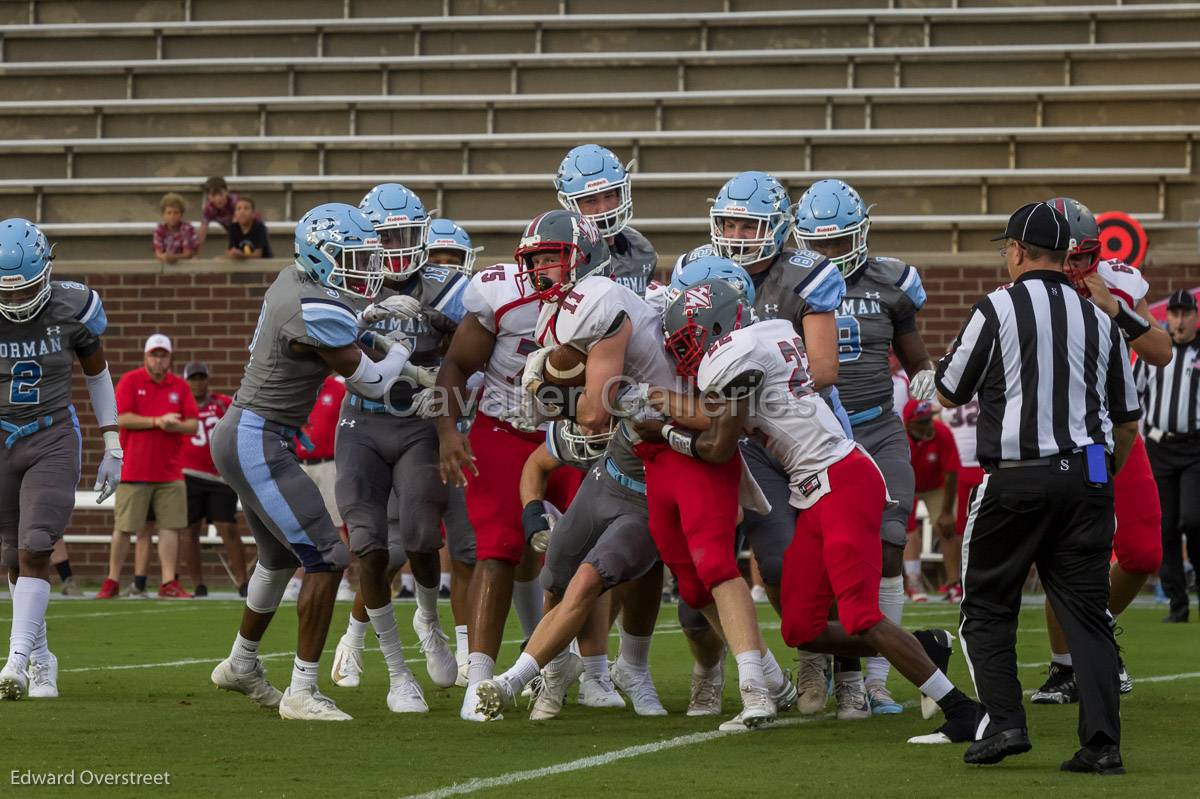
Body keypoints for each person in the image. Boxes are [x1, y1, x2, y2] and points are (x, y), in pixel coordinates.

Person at [650, 276, 981, 743]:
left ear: (715, 324)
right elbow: (735, 419)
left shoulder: (733, 356)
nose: (684, 352)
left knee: (861, 615)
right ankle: (926, 646)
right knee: (800, 627)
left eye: (687, 339)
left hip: (842, 481)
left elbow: (719, 448)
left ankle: (963, 710)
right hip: (812, 491)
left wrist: (665, 431)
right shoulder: (770, 333)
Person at [517, 216, 785, 732]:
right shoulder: (640, 320)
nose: (677, 323)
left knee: (718, 572)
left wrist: (648, 410)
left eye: (695, 310)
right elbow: (614, 408)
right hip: (653, 457)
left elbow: (712, 428)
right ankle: (768, 679)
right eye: (678, 304)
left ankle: (767, 684)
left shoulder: (731, 352)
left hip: (699, 454)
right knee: (689, 584)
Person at [935, 201, 1140, 773]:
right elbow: (1126, 421)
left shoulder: (998, 306)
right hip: (1091, 475)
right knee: (1088, 615)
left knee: (985, 605)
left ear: (1019, 252)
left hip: (1018, 477)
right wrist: (1096, 477)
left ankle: (1005, 724)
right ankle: (1102, 746)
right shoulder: (1099, 318)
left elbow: (950, 391)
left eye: (1007, 248)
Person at [207, 202, 413, 722]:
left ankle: (241, 663)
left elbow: (333, 325)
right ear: (320, 257)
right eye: (352, 258)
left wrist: (367, 322)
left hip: (245, 432)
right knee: (327, 557)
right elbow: (372, 380)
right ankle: (302, 690)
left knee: (279, 559)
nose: (363, 270)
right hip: (258, 437)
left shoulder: (291, 278)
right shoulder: (314, 308)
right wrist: (398, 352)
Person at [667, 173, 845, 719]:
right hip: (724, 434)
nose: (738, 233)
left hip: (786, 432)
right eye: (729, 223)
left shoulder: (804, 276)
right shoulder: (692, 269)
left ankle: (823, 659)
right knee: (718, 568)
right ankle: (712, 666)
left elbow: (822, 369)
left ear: (777, 227)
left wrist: (750, 392)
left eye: (749, 223)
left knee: (801, 558)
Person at [435, 212, 585, 722]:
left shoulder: (602, 300)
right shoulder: (499, 292)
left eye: (554, 257)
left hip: (571, 435)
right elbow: (455, 365)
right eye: (536, 257)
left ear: (579, 258)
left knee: (583, 552)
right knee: (497, 549)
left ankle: (578, 668)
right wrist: (448, 431)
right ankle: (477, 681)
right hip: (502, 430)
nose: (544, 267)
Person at [793, 178, 935, 719]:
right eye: (818, 244)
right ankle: (815, 663)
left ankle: (878, 679)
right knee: (818, 560)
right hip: (813, 435)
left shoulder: (892, 282)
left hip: (877, 428)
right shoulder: (790, 281)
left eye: (837, 242)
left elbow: (914, 352)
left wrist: (926, 375)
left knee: (889, 547)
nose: (828, 255)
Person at [327, 183, 468, 712]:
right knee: (366, 544)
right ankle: (395, 672)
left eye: (407, 234)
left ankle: (429, 620)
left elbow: (475, 343)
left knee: (419, 538)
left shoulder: (446, 283)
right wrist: (358, 322)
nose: (397, 246)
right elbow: (318, 343)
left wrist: (436, 321)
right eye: (386, 236)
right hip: (361, 422)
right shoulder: (346, 283)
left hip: (419, 423)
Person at [1031, 197, 1170, 702]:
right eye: (1063, 255)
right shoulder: (1022, 291)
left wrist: (1115, 308)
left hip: (1118, 432)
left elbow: (1160, 350)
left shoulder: (1119, 282)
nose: (1072, 266)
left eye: (1081, 255)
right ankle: (1067, 664)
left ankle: (1094, 628)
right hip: (1056, 437)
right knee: (1062, 554)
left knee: (1142, 551)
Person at [0, 218, 122, 700]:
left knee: (35, 546)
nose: (13, 301)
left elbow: (98, 373)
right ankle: (39, 656)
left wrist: (112, 443)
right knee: (11, 554)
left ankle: (12, 664)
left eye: (22, 289)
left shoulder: (74, 306)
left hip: (51, 433)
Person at [473, 419, 667, 721]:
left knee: (591, 576)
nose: (588, 422)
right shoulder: (597, 418)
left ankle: (513, 681)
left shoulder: (673, 407)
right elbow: (538, 461)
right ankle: (555, 671)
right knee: (554, 577)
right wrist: (533, 514)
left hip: (646, 502)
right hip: (604, 485)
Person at [97, 334, 198, 600]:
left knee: (170, 527)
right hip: (133, 469)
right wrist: (157, 421)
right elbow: (121, 417)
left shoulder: (181, 387)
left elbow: (193, 424)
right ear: (145, 357)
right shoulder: (131, 380)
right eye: (154, 354)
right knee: (124, 527)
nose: (158, 359)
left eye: (163, 355)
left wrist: (173, 425)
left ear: (170, 358)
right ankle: (112, 580)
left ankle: (168, 582)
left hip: (170, 471)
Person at [1136, 289, 1200, 623]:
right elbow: (1134, 393)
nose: (1178, 319)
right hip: (1160, 447)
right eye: (1173, 314)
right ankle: (1178, 603)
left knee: (1192, 519)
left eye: (1184, 313)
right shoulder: (1154, 350)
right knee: (1166, 529)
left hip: (1195, 448)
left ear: (1194, 316)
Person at [178, 361, 246, 598]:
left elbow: (241, 420)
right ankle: (198, 584)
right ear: (186, 381)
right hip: (189, 474)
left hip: (220, 476)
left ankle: (242, 582)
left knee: (227, 526)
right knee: (189, 530)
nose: (197, 383)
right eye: (193, 378)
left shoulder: (222, 403)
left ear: (207, 379)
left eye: (201, 378)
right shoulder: (180, 405)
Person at [554, 144, 657, 295]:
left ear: (620, 195)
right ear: (572, 205)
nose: (603, 209)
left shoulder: (641, 250)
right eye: (591, 201)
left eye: (609, 196)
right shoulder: (564, 258)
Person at [901, 399, 960, 603]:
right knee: (909, 532)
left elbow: (951, 474)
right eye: (923, 421)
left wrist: (946, 513)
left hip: (936, 486)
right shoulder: (899, 439)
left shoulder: (941, 433)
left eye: (929, 419)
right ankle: (914, 583)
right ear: (909, 423)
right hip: (908, 485)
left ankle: (955, 584)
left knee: (946, 528)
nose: (929, 425)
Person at [939, 398, 982, 602]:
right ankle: (956, 581)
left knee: (980, 526)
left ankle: (973, 580)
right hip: (959, 466)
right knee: (957, 528)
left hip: (981, 463)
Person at [196, 176, 257, 247]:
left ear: (227, 192)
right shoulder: (209, 209)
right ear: (209, 197)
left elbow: (236, 224)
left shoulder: (234, 201)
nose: (218, 199)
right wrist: (195, 254)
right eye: (213, 195)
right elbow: (202, 232)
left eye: (220, 194)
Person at [153, 193, 197, 265]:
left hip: (185, 266)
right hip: (165, 266)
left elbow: (188, 254)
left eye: (176, 213)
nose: (172, 216)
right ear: (163, 214)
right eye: (169, 213)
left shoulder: (187, 228)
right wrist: (165, 257)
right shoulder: (159, 229)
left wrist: (174, 257)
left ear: (181, 214)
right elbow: (158, 254)